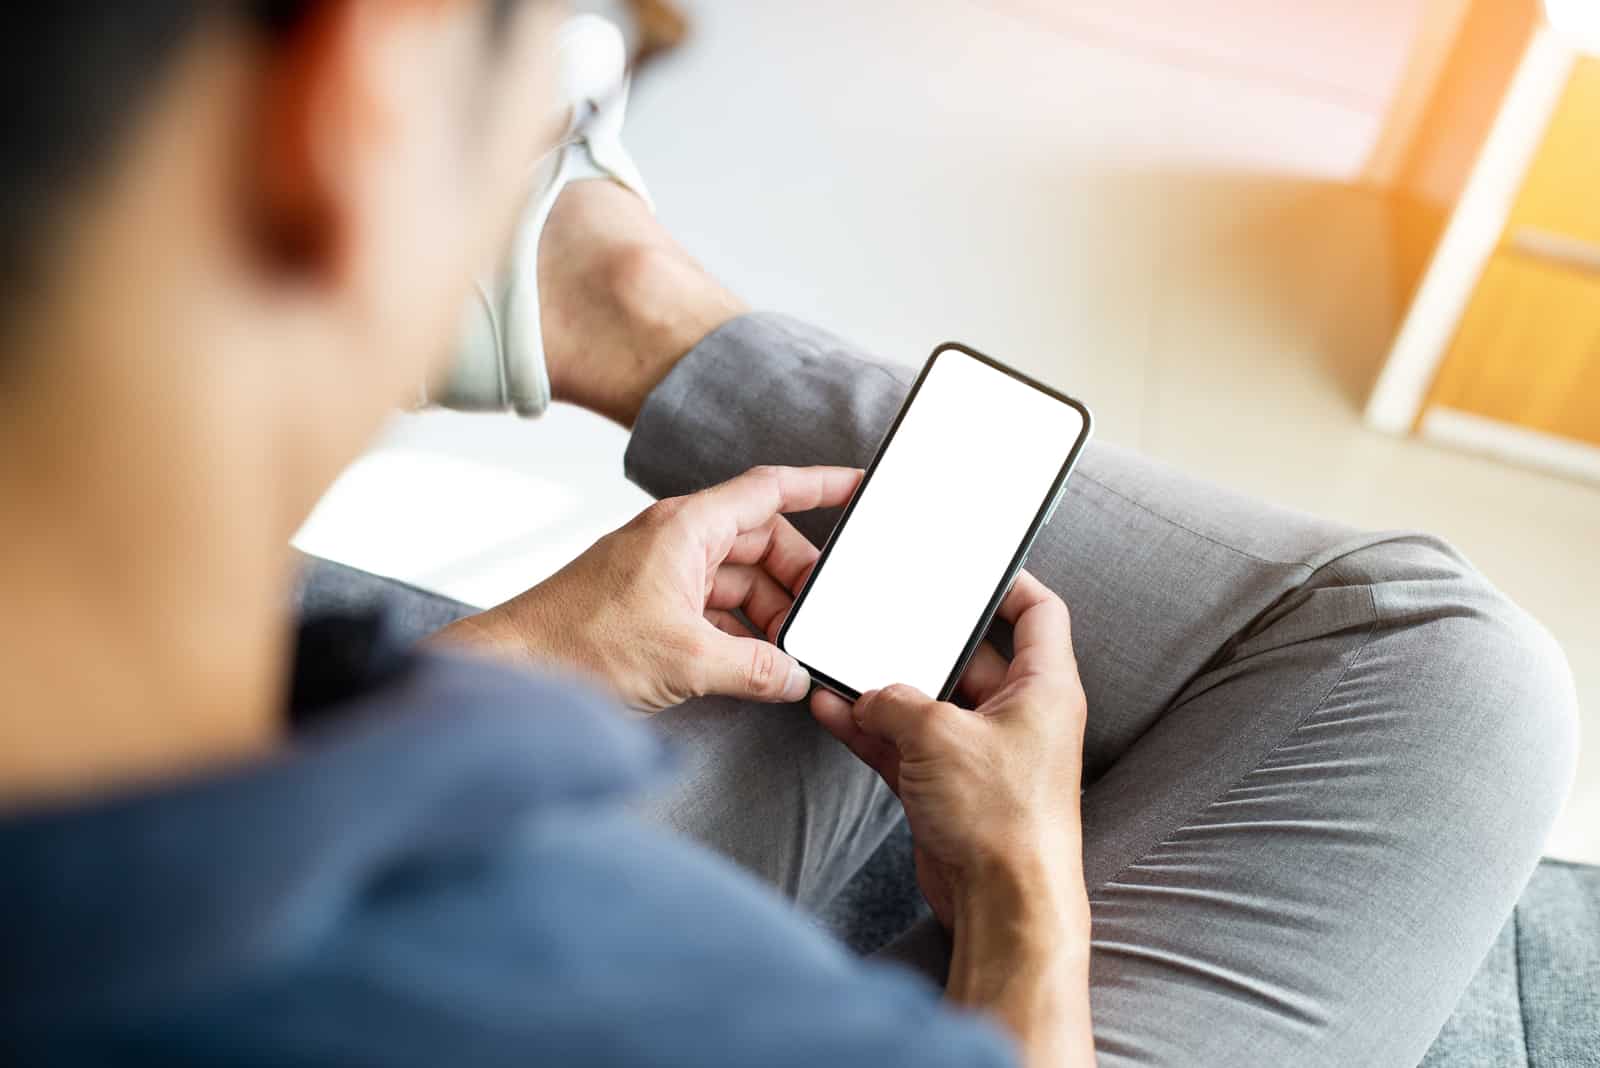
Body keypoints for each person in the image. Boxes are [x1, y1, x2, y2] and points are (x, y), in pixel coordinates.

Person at [0, 3, 1578, 1067]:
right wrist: (1026, 911)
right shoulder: (632, 998)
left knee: (817, 681)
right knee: (1442, 677)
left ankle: (594, 297)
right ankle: (609, 303)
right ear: (355, 110)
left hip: (304, 787)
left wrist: (536, 653)